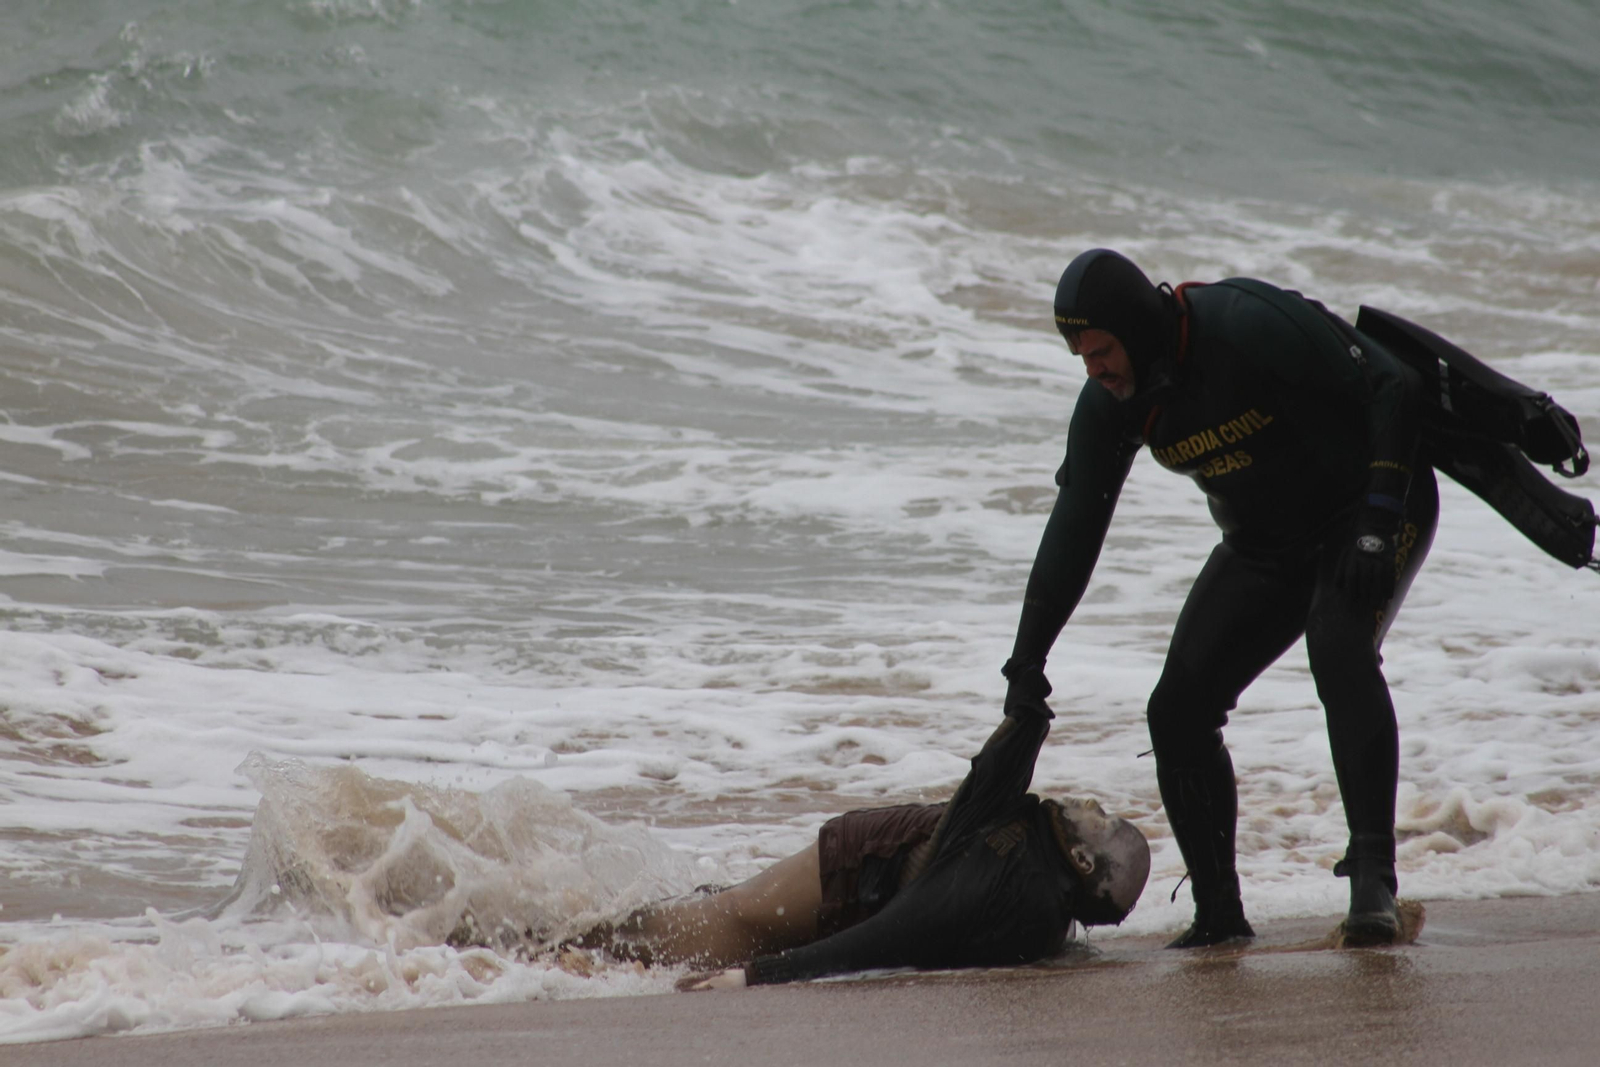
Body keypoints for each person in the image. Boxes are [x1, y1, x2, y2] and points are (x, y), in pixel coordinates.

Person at [1003, 249, 1443, 950]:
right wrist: (1026, 660)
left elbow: (1395, 384)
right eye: (1080, 355)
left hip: (1369, 509)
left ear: (1137, 330)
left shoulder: (1246, 324)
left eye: (1101, 350)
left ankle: (1373, 882)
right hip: (1267, 546)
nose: (1094, 369)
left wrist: (1378, 518)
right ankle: (1218, 915)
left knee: (1337, 645)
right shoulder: (1117, 404)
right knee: (1177, 708)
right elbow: (1074, 529)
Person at [568, 701, 1151, 987]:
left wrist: (760, 977)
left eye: (1100, 817)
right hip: (880, 885)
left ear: (1080, 859)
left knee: (729, 919)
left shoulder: (1010, 871)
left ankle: (560, 946)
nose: (1091, 805)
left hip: (860, 866)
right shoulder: (1050, 916)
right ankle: (585, 944)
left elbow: (897, 931)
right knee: (727, 918)